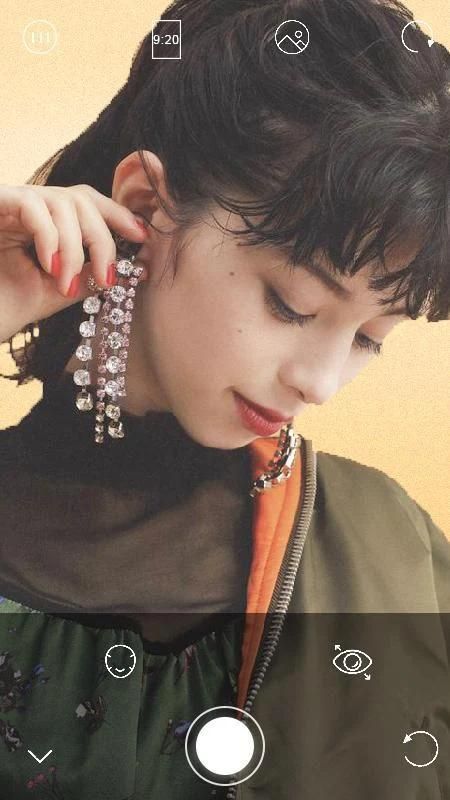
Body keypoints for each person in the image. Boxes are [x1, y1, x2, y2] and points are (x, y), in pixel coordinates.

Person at [0, 1, 449, 798]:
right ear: (146, 206)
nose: (320, 383)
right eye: (292, 306)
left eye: (371, 338)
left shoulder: (396, 552)